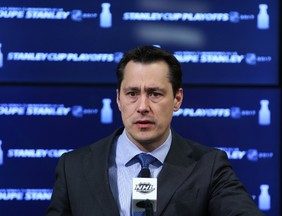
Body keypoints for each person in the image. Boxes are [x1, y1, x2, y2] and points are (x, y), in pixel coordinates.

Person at [46, 46, 264, 216]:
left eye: (155, 94)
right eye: (132, 93)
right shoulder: (73, 167)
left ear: (177, 99)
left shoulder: (209, 166)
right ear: (118, 99)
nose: (142, 106)